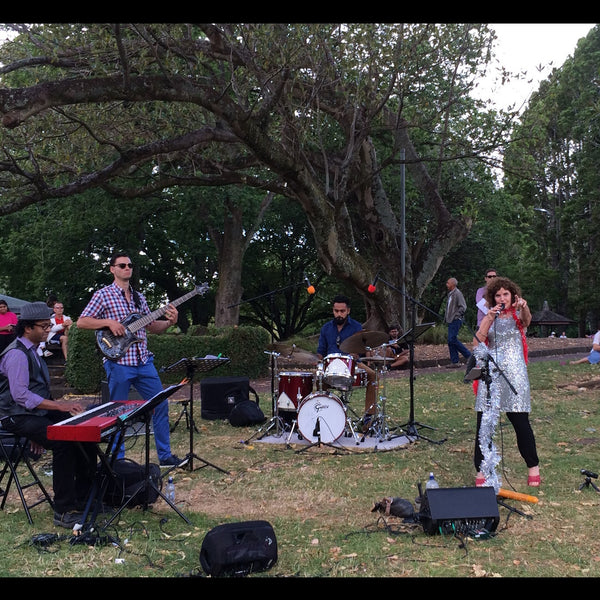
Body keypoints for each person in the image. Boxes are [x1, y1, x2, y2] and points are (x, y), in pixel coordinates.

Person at [76, 252, 183, 467]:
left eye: (130, 265)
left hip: (143, 362)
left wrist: (170, 323)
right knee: (119, 412)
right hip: (119, 363)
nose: (127, 268)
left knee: (160, 404)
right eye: (122, 265)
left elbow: (153, 327)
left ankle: (165, 456)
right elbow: (82, 322)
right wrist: (108, 323)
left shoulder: (139, 298)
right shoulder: (103, 295)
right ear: (112, 269)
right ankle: (118, 460)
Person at [0, 301, 96, 528]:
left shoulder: (33, 351)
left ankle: (85, 499)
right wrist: (59, 408)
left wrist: (45, 418)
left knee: (82, 432)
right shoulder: (16, 355)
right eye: (43, 326)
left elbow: (36, 394)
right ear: (27, 328)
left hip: (32, 414)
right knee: (63, 440)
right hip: (14, 416)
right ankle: (63, 511)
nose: (47, 330)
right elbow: (21, 396)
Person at [471, 276, 540, 488]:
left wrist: (524, 307)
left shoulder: (518, 314)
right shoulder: (489, 316)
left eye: (505, 294)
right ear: (493, 298)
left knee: (520, 421)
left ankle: (533, 466)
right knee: (484, 422)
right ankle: (483, 468)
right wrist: (488, 319)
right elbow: (476, 344)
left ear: (512, 295)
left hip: (514, 374)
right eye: (498, 295)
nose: (502, 298)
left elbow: (527, 321)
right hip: (491, 374)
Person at [316, 294, 377, 430]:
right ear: (333, 310)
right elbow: (321, 351)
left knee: (372, 375)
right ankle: (322, 415)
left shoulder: (356, 327)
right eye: (336, 311)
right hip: (330, 365)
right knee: (318, 378)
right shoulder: (326, 328)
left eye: (342, 311)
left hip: (351, 364)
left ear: (348, 311)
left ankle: (369, 418)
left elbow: (361, 348)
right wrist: (317, 362)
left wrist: (357, 354)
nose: (339, 314)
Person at [444, 277, 472, 368]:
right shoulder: (450, 294)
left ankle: (469, 355)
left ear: (452, 284)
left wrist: (456, 315)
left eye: (448, 283)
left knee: (452, 339)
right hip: (450, 320)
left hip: (455, 320)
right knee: (450, 341)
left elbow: (463, 306)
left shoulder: (457, 294)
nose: (446, 284)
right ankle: (455, 361)